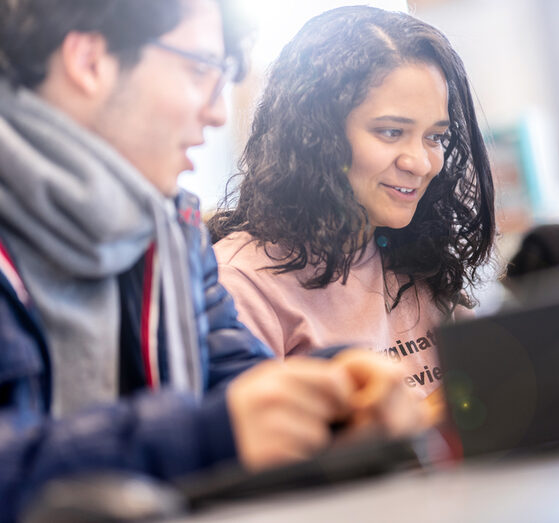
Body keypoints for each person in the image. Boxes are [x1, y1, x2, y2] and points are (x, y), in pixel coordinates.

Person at [0, 1, 424, 520]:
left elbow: (235, 381)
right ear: (89, 61)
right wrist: (205, 437)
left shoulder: (168, 233)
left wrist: (338, 391)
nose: (220, 111)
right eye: (199, 70)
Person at [209, 6, 496, 399]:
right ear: (314, 137)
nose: (422, 163)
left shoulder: (416, 259)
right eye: (392, 132)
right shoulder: (241, 286)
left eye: (435, 138)